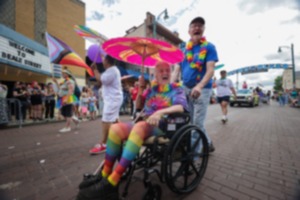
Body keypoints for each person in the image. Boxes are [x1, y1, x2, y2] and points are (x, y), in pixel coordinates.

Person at [76, 61, 189, 200]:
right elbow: (140, 106)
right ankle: (105, 175)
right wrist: (141, 89)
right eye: (161, 71)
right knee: (115, 128)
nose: (165, 73)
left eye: (167, 70)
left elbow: (180, 108)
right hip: (145, 122)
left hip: (166, 125)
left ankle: (113, 181)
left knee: (139, 127)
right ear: (155, 75)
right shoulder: (152, 89)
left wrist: (159, 113)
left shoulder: (176, 89)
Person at [171, 16, 218, 152]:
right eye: (194, 26)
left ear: (203, 30)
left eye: (200, 26)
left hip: (202, 89)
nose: (197, 28)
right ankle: (207, 143)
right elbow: (176, 71)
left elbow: (210, 70)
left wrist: (200, 85)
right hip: (186, 88)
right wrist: (168, 87)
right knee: (190, 121)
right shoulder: (183, 50)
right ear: (189, 31)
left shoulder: (209, 47)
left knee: (197, 123)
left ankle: (193, 156)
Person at [89, 55, 123, 154]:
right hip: (112, 99)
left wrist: (95, 69)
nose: (102, 61)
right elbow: (101, 81)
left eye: (104, 59)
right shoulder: (111, 71)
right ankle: (122, 137)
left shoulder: (112, 70)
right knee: (115, 119)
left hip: (113, 99)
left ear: (107, 60)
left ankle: (104, 144)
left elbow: (101, 79)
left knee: (106, 119)